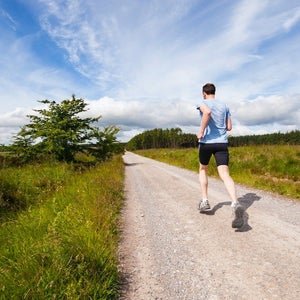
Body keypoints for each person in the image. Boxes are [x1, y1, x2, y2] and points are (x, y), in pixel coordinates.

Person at [197, 83, 244, 228]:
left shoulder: (202, 103)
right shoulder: (225, 106)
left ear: (204, 93)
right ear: (214, 92)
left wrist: (201, 131)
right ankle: (235, 203)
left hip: (206, 143)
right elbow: (229, 127)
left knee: (203, 169)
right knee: (224, 174)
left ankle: (205, 201)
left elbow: (207, 112)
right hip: (222, 143)